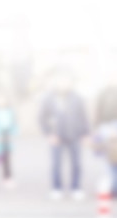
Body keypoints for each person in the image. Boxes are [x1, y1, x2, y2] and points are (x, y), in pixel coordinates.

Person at [38, 70, 89, 201]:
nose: (63, 84)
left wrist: (85, 134)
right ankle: (56, 188)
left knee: (77, 164)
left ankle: (76, 188)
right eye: (60, 81)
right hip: (56, 137)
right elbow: (42, 118)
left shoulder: (77, 97)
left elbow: (83, 116)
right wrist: (49, 134)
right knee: (56, 164)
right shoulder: (48, 98)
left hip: (74, 135)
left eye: (66, 81)